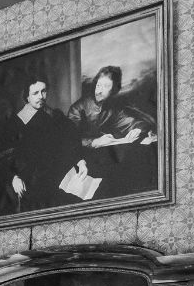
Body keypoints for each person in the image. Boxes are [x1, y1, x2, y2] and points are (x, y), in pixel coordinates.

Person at [68, 66, 159, 199]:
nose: (99, 90)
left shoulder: (112, 108)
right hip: (79, 159)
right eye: (98, 85)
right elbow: (69, 139)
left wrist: (138, 128)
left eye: (105, 86)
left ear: (114, 90)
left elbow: (130, 122)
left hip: (104, 159)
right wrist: (94, 142)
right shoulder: (78, 108)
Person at [0, 80, 78, 214]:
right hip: (30, 175)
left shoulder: (55, 115)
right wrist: (13, 178)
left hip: (56, 169)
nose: (41, 96)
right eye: (35, 93)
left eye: (43, 91)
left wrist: (80, 161)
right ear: (27, 96)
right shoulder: (15, 123)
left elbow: (71, 139)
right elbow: (3, 157)